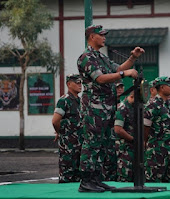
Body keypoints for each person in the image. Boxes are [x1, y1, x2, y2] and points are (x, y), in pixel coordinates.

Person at [77, 24, 145, 192]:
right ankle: (86, 181)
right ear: (92, 37)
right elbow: (100, 79)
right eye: (101, 35)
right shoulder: (86, 57)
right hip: (94, 108)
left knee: (103, 144)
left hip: (107, 108)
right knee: (92, 144)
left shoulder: (101, 57)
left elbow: (119, 69)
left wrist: (132, 59)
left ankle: (97, 179)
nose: (104, 37)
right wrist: (124, 74)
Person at [144, 76, 170, 182]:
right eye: (169, 85)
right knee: (154, 180)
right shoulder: (153, 105)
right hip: (157, 150)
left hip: (169, 150)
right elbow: (145, 127)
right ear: (162, 88)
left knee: (168, 181)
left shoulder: (167, 104)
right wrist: (148, 143)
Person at [52, 74, 83, 183]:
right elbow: (55, 121)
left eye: (81, 82)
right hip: (68, 146)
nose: (80, 85)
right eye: (77, 82)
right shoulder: (64, 101)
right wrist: (60, 132)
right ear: (69, 84)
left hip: (79, 145)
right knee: (67, 177)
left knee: (78, 177)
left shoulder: (80, 101)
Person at [114, 91, 135, 182]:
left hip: (134, 148)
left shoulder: (134, 107)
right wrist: (133, 139)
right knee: (124, 176)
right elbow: (118, 129)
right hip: (125, 148)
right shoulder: (123, 108)